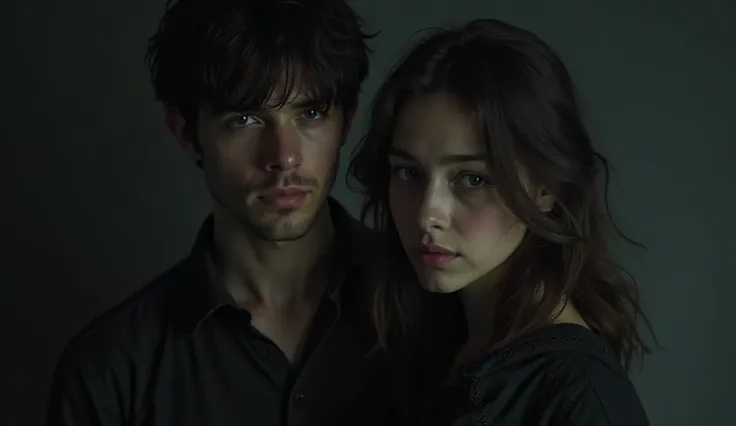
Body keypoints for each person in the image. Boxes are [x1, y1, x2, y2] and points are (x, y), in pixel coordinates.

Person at [45, 1, 398, 425]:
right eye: (245, 118)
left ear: (346, 121)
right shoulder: (110, 370)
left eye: (310, 113)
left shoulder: (433, 310)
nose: (284, 157)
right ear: (187, 133)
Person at [349, 18, 655, 426]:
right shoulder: (427, 344)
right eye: (409, 172)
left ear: (546, 188)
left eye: (473, 179)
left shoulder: (581, 399)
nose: (427, 214)